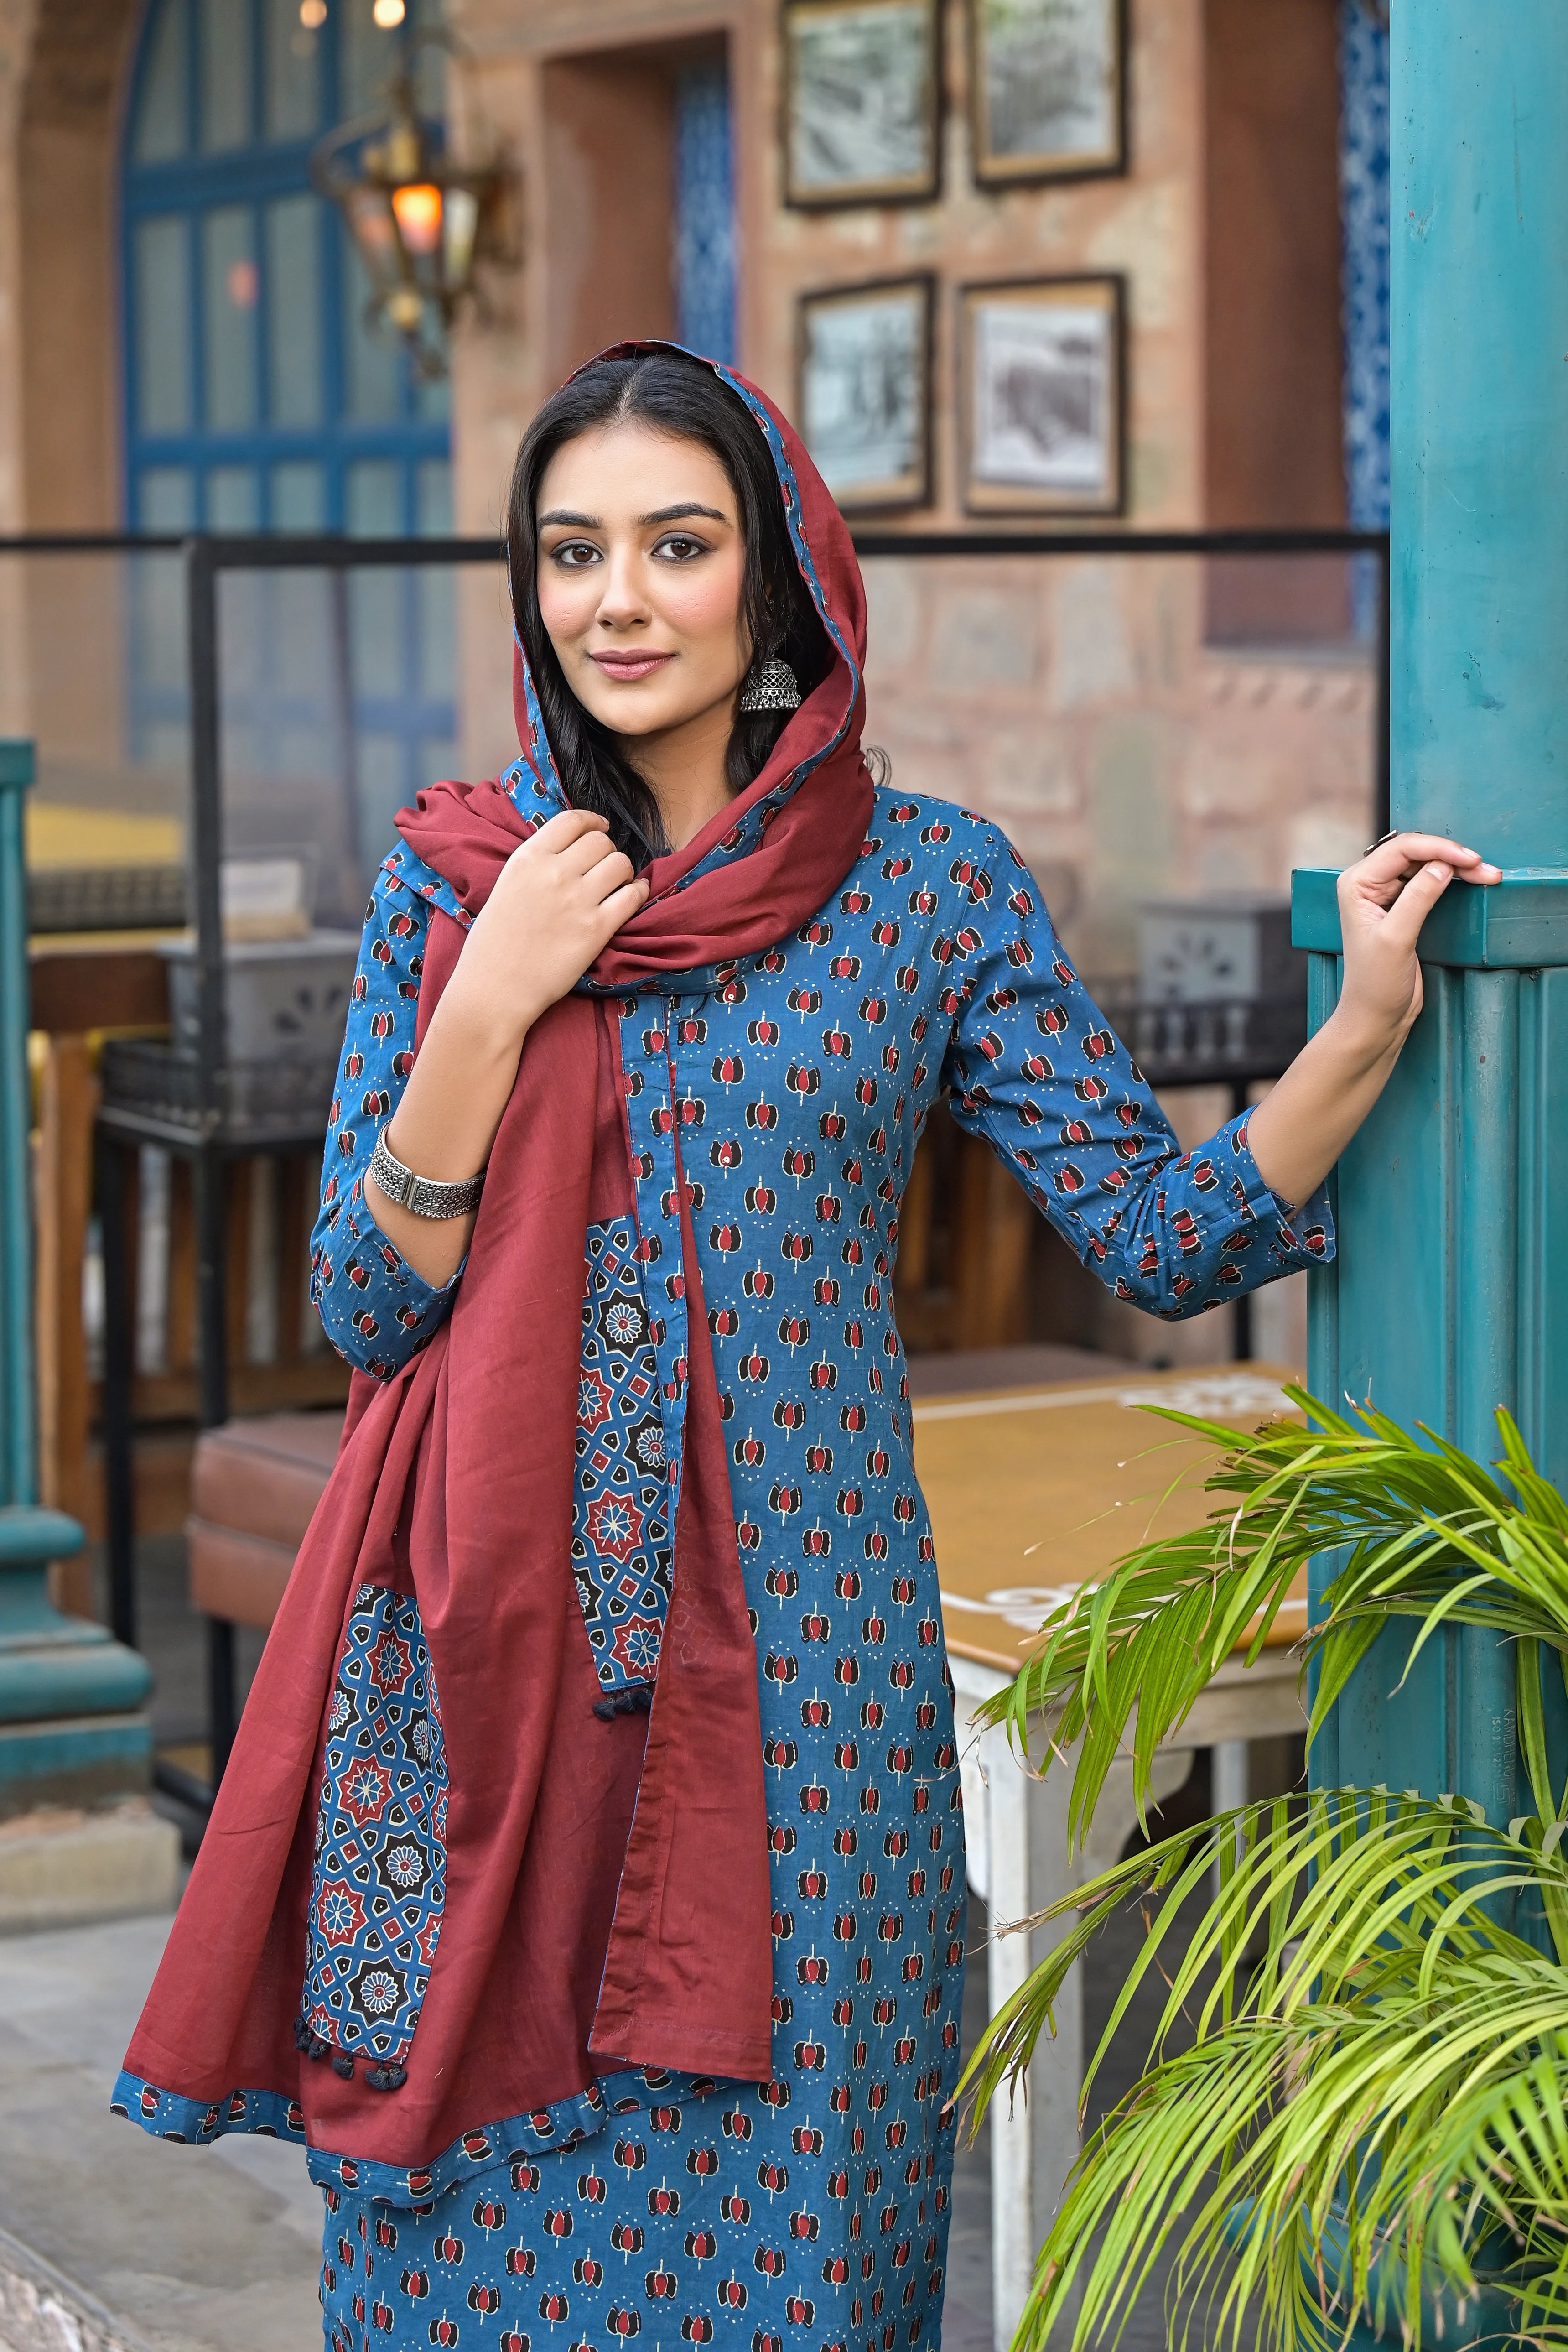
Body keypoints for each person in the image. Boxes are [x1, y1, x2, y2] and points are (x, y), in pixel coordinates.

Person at [112, 344, 1498, 2351]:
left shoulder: (924, 889)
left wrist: (1357, 1028)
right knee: (465, 2236)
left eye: (676, 545)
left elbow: (1155, 1230)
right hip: (493, 1658)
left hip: (805, 1668)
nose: (616, 597)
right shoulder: (462, 882)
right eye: (570, 550)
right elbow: (366, 1296)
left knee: (805, 2234)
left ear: (776, 576)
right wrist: (487, 1011)